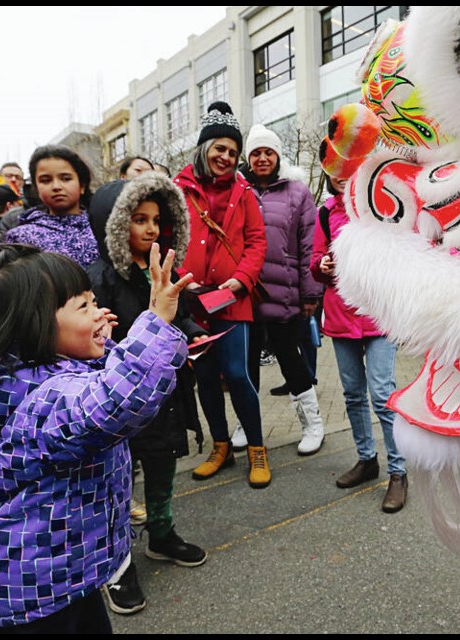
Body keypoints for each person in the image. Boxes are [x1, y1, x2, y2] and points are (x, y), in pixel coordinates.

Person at [0, 243, 191, 633]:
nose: (99, 311)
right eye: (84, 307)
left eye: (94, 301)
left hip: (62, 575)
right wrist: (154, 321)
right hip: (33, 595)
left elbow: (97, 384)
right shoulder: (43, 400)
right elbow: (115, 400)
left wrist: (103, 343)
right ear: (35, 326)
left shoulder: (36, 378)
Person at [87, 173, 208, 615]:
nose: (152, 228)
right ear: (116, 225)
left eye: (158, 219)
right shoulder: (99, 278)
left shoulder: (163, 270)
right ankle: (116, 563)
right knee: (118, 481)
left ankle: (162, 533)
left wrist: (192, 336)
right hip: (119, 398)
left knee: (162, 466)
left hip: (164, 395)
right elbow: (92, 336)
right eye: (140, 219)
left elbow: (184, 313)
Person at [174, 101, 270, 488]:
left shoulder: (244, 191)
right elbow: (170, 239)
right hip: (195, 301)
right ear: (204, 149)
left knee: (237, 373)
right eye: (220, 149)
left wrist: (242, 280)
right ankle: (220, 446)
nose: (226, 157)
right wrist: (182, 279)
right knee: (207, 378)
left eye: (232, 151)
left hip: (233, 298)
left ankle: (257, 450)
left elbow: (257, 241)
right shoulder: (179, 190)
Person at [310, 174, 407, 512]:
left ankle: (398, 472)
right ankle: (367, 460)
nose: (340, 175)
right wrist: (322, 265)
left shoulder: (380, 207)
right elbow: (315, 262)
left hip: (378, 317)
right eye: (333, 169)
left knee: (382, 395)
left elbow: (402, 255)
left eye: (347, 168)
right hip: (340, 317)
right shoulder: (325, 213)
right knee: (352, 393)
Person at [242, 123, 326, 456]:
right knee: (245, 366)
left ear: (278, 156)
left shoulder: (298, 192)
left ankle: (313, 423)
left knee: (291, 360)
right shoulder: (240, 190)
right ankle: (245, 425)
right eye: (256, 153)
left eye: (268, 152)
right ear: (249, 158)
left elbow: (308, 244)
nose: (262, 158)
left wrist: (310, 294)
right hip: (245, 295)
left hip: (286, 295)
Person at [4, 144, 99, 269]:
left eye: (65, 179)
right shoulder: (21, 237)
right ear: (36, 187)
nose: (56, 186)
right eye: (46, 180)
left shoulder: (102, 228)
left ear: (82, 185)